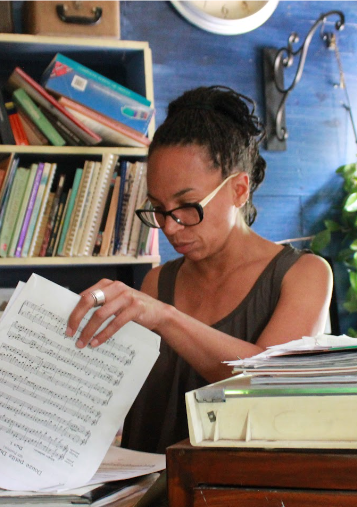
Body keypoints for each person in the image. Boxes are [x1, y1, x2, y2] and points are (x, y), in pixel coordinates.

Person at [66, 85, 333, 454]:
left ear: (239, 190)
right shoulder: (159, 281)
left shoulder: (304, 274)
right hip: (142, 498)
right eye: (158, 208)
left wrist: (164, 317)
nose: (170, 227)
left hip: (234, 501)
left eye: (187, 205)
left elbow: (270, 384)